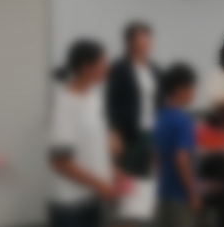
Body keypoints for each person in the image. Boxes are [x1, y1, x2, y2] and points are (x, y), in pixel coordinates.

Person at [49, 39, 118, 227]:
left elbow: (91, 148)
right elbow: (59, 162)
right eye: (103, 63)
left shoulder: (93, 97)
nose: (107, 68)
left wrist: (112, 172)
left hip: (93, 198)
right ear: (86, 67)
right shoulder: (65, 102)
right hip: (71, 204)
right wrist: (100, 184)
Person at [107, 22, 160, 179]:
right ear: (130, 42)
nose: (146, 43)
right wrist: (114, 132)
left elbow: (160, 100)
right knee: (129, 176)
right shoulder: (120, 68)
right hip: (130, 133)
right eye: (141, 40)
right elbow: (111, 101)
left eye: (148, 39)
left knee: (150, 177)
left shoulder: (154, 69)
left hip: (153, 130)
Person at [154, 63, 201, 227]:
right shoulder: (182, 121)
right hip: (180, 197)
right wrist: (193, 194)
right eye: (192, 88)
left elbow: (155, 158)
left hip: (162, 195)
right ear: (181, 89)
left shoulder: (159, 118)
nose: (194, 93)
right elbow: (182, 159)